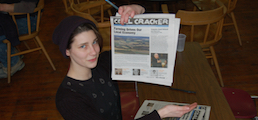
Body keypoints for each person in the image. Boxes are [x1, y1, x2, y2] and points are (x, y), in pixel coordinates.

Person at [53, 4, 197, 120]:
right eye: (83, 46)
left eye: (95, 42)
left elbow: (142, 47)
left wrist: (138, 9)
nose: (94, 51)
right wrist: (162, 114)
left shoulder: (102, 63)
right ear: (67, 51)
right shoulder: (67, 99)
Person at [0, 0, 39, 79]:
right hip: (12, 16)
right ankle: (10, 54)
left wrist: (3, 7)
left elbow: (29, 6)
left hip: (27, 20)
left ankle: (12, 63)